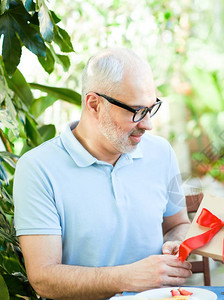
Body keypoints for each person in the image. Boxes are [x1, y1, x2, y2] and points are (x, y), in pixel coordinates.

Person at [13, 48, 192, 299]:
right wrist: (127, 277)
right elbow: (43, 278)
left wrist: (176, 242)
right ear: (94, 104)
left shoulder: (161, 152)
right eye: (137, 111)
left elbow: (179, 224)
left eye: (152, 108)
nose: (148, 124)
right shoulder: (37, 168)